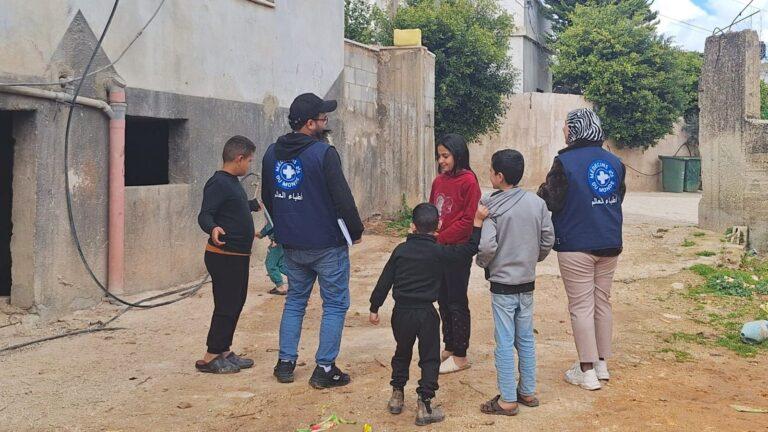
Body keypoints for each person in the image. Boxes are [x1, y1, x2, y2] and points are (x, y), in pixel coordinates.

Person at [262, 93, 364, 389]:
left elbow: (269, 197)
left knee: (295, 301)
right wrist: (355, 231)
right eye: (323, 118)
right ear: (310, 124)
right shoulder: (323, 153)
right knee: (334, 304)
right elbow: (342, 198)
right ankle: (325, 367)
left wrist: (281, 229)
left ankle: (285, 363)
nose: (326, 122)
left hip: (291, 244)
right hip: (326, 245)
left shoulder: (271, 153)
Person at [369, 203, 488, 426]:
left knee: (401, 351)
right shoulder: (439, 252)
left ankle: (397, 395)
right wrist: (477, 223)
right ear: (439, 226)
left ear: (412, 226)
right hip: (426, 314)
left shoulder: (400, 251)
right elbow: (469, 249)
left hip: (401, 312)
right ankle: (424, 404)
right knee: (430, 358)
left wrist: (374, 307)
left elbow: (384, 281)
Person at [537, 108, 626, 391]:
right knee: (602, 302)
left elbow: (550, 200)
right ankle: (601, 365)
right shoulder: (615, 162)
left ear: (575, 130)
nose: (563, 131)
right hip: (609, 240)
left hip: (576, 243)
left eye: (566, 126)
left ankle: (585, 371)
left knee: (581, 307)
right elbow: (617, 195)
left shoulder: (564, 161)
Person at [476, 149, 554, 416]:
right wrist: (533, 259)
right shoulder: (537, 204)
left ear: (499, 176)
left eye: (490, 171)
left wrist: (483, 263)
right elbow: (547, 240)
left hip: (502, 286)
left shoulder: (490, 207)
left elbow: (486, 246)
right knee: (526, 339)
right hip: (527, 282)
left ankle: (507, 399)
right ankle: (528, 391)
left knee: (504, 341)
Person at [195, 135, 261, 374]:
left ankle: (224, 350)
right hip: (224, 256)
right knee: (226, 304)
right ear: (239, 158)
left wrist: (250, 206)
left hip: (238, 256)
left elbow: (233, 208)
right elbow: (205, 215)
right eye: (250, 160)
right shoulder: (218, 183)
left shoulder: (233, 182)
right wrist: (212, 228)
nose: (250, 165)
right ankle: (211, 355)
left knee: (236, 302)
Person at [429, 133, 482, 374]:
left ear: (458, 155)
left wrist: (440, 237)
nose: (441, 161)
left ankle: (461, 354)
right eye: (439, 156)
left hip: (457, 250)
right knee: (442, 299)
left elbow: (467, 220)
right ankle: (449, 346)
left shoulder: (469, 181)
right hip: (438, 249)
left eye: (446, 156)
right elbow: (432, 210)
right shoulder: (439, 181)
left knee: (457, 301)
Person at [255, 219, 288, 295]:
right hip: (284, 243)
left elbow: (263, 232)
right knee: (281, 265)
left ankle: (280, 287)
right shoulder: (281, 214)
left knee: (270, 265)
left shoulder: (271, 216)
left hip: (276, 243)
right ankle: (299, 279)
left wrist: (250, 232)